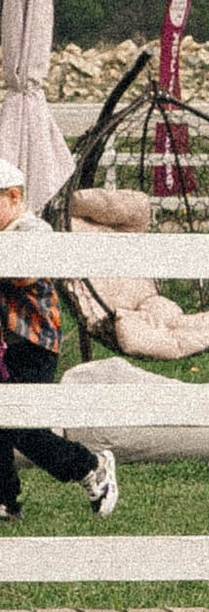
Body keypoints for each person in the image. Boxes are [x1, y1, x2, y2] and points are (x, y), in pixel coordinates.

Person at [0, 154, 119, 522]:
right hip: (5, 344)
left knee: (22, 423)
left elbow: (21, 274)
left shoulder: (32, 233)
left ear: (14, 197)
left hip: (31, 343)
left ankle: (89, 466)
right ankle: (5, 499)